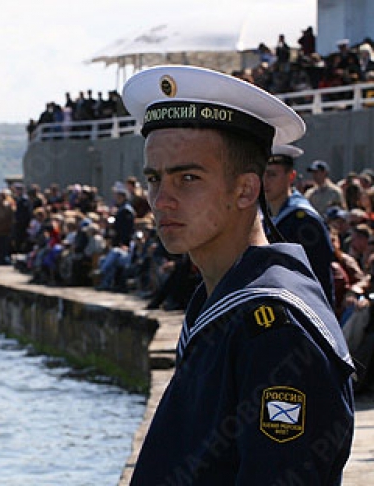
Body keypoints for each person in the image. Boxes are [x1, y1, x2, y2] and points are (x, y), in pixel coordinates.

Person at [122, 65, 354, 485]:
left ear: (246, 190)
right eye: (154, 178)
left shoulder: (276, 330)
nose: (161, 200)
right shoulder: (225, 298)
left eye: (187, 178)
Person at [264, 144, 335, 307]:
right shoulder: (264, 215)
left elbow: (319, 274)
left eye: (272, 174)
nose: (265, 181)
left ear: (291, 176)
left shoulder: (303, 220)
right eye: (262, 173)